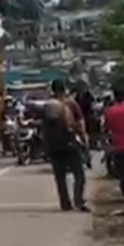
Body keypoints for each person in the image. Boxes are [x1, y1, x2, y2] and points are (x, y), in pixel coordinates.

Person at [41, 79, 89, 212]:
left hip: (54, 145)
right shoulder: (71, 104)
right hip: (70, 142)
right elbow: (80, 123)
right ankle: (78, 201)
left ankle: (65, 203)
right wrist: (84, 140)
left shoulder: (48, 106)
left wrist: (46, 146)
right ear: (65, 89)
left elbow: (44, 127)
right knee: (79, 174)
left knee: (60, 176)